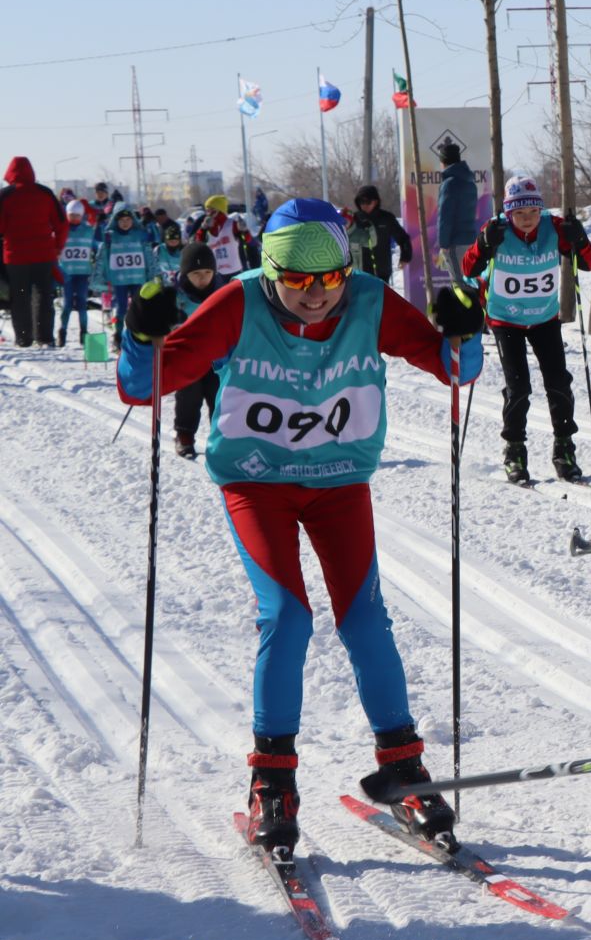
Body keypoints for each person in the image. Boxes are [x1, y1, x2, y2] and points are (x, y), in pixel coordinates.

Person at [117, 198, 485, 851]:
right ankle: (272, 783)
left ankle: (402, 768)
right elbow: (146, 384)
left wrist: (464, 330)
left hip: (339, 482)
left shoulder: (369, 302)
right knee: (287, 616)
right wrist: (141, 338)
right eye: (296, 281)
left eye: (330, 279)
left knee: (366, 618)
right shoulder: (238, 304)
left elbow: (457, 369)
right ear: (269, 271)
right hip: (257, 483)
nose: (316, 296)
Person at [461, 176, 591, 484]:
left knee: (559, 383)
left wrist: (579, 240)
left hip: (544, 318)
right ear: (508, 213)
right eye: (520, 214)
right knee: (519, 386)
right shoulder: (495, 229)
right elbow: (468, 269)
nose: (527, 220)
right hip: (505, 319)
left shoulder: (555, 227)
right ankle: (515, 450)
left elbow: (589, 264)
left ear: (541, 211)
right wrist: (483, 245)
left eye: (533, 213)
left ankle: (564, 448)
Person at [0, 157, 67, 346]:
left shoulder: (5, 195)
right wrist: (57, 247)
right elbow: (62, 223)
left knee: (20, 296)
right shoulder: (45, 193)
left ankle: (23, 338)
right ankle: (44, 337)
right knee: (43, 295)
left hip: (15, 256)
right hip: (43, 254)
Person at [169, 242, 227, 457]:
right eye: (196, 273)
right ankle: (184, 435)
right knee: (188, 396)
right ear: (185, 273)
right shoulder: (175, 296)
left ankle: (221, 439)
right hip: (189, 359)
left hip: (218, 358)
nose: (202, 278)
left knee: (219, 397)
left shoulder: (224, 292)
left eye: (207, 272)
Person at [92, 203, 156, 353]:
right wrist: (101, 276)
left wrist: (151, 274)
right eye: (122, 220)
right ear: (116, 220)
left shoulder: (139, 234)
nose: (125, 223)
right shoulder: (110, 236)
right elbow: (101, 254)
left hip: (137, 277)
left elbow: (149, 253)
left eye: (128, 219)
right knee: (121, 308)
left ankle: (138, 336)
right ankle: (118, 336)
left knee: (138, 308)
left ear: (133, 220)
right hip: (119, 279)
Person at [346, 185, 414, 282]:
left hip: (382, 271)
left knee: (381, 296)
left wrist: (405, 257)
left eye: (367, 202)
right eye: (361, 202)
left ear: (375, 201)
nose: (364, 205)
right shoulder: (354, 219)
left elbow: (403, 238)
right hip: (360, 271)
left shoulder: (386, 218)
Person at [55, 200, 97, 347]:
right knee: (67, 305)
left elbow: (97, 244)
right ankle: (62, 332)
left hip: (82, 273)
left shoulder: (88, 230)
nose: (74, 218)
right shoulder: (62, 230)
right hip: (67, 274)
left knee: (81, 304)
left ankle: (84, 333)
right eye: (71, 215)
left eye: (77, 215)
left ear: (82, 216)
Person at [435, 140, 479, 275]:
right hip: (471, 240)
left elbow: (445, 217)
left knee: (459, 284)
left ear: (443, 162)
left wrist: (443, 244)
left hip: (455, 242)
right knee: (470, 281)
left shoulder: (449, 184)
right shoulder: (470, 182)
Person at [191, 195, 247, 277]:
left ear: (220, 210)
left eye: (212, 211)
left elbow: (248, 242)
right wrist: (203, 228)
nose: (209, 214)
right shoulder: (207, 228)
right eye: (207, 211)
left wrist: (245, 231)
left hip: (236, 271)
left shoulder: (232, 224)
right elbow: (198, 244)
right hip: (217, 273)